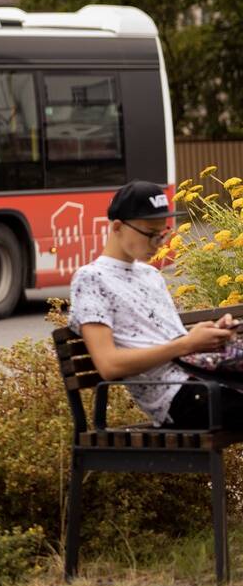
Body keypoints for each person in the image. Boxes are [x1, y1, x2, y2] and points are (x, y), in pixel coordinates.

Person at [71, 180, 242, 430]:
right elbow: (109, 365)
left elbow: (173, 341)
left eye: (162, 233)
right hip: (178, 398)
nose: (159, 243)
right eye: (151, 234)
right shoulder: (91, 279)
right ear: (118, 227)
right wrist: (186, 344)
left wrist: (211, 335)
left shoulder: (150, 276)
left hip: (204, 382)